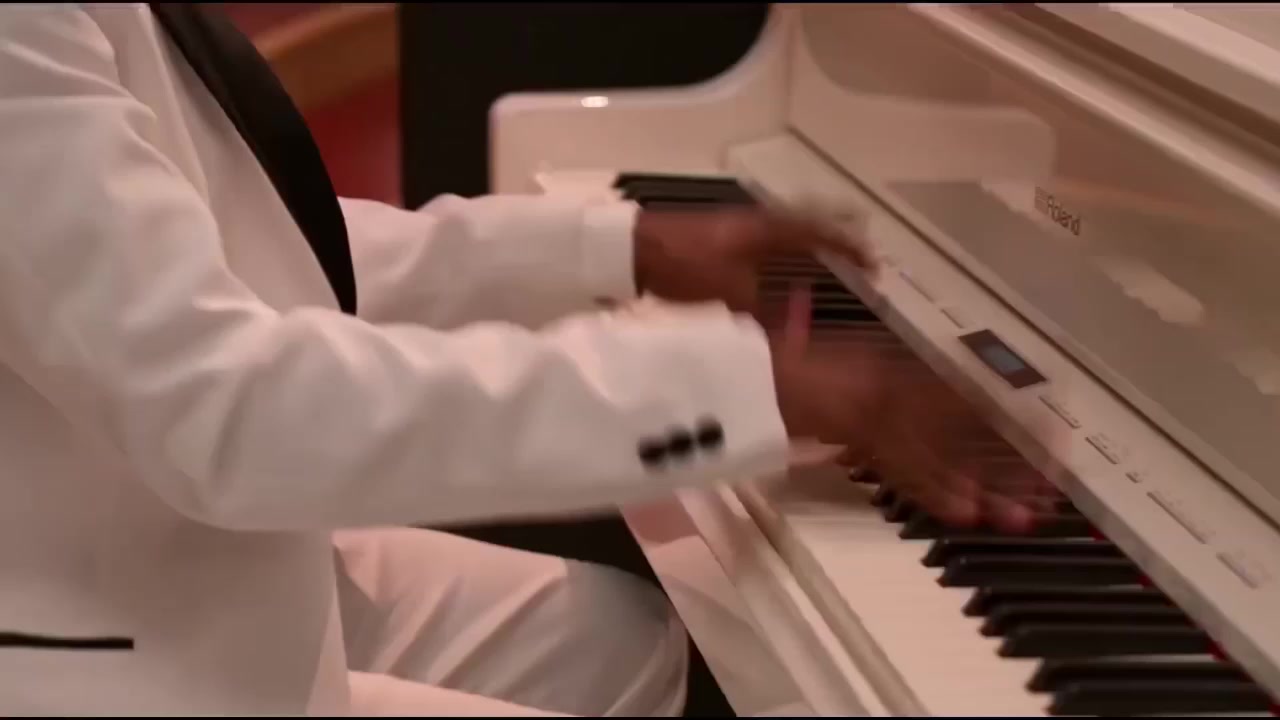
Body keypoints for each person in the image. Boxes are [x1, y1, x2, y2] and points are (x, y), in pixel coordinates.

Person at [0, 3, 1049, 716]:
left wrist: (613, 247)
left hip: (161, 536)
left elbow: (224, 254)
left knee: (628, 640)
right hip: (94, 626)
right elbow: (236, 417)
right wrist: (748, 387)